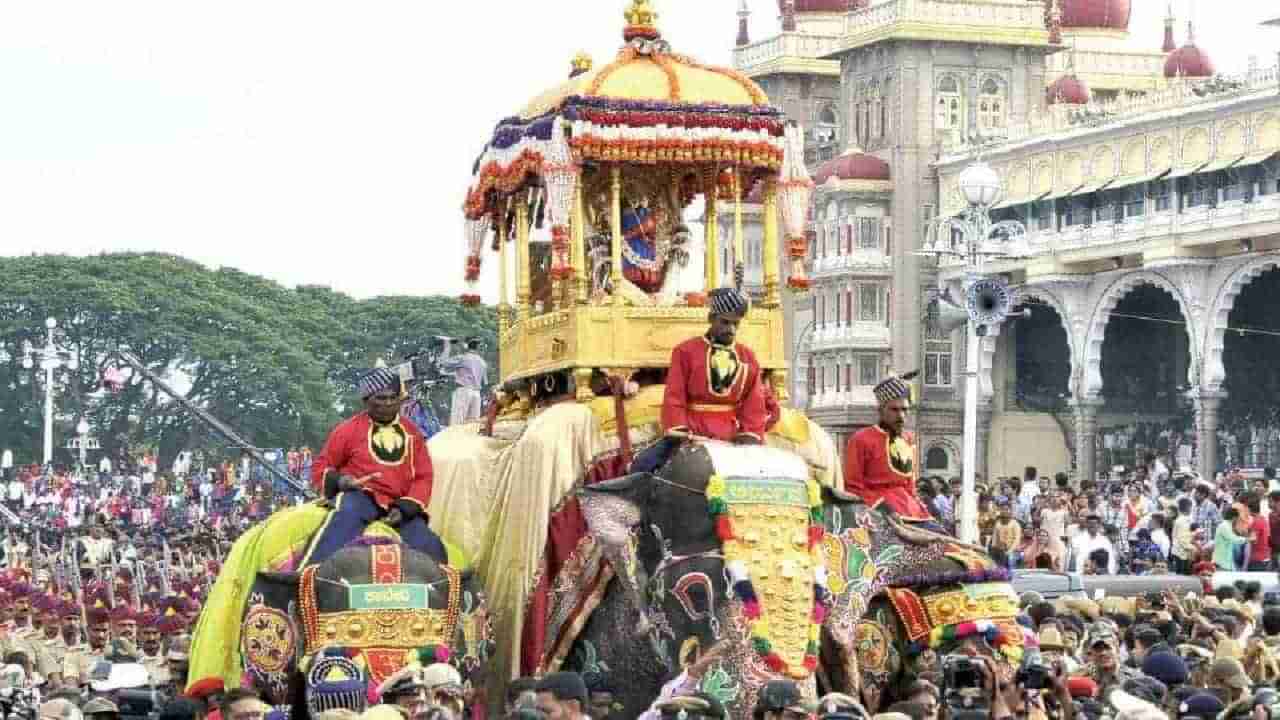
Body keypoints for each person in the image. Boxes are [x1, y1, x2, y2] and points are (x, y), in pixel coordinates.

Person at [303, 365, 445, 566]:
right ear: (366, 401)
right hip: (360, 498)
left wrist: (406, 508)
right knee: (336, 533)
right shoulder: (347, 430)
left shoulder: (413, 432)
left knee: (431, 546)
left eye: (393, 398)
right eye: (381, 398)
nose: (388, 404)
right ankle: (306, 577)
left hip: (399, 504)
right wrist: (341, 481)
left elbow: (423, 476)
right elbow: (320, 466)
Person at [634, 288, 769, 474]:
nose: (730, 329)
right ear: (711, 319)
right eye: (725, 322)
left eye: (735, 324)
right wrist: (679, 431)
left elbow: (754, 404)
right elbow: (675, 396)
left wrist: (749, 436)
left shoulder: (748, 357)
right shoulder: (685, 352)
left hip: (731, 435)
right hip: (691, 432)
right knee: (642, 467)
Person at [843, 372, 930, 520]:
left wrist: (920, 507)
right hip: (876, 512)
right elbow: (853, 487)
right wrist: (882, 508)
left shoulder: (909, 439)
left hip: (911, 511)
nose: (901, 416)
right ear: (880, 410)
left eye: (905, 410)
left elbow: (909, 485)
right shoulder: (860, 439)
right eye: (894, 410)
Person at [438, 337, 488, 426]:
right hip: (476, 394)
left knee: (457, 424)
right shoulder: (483, 362)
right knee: (472, 426)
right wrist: (452, 374)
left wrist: (447, 346)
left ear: (466, 346)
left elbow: (443, 362)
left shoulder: (463, 358)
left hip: (463, 392)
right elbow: (479, 379)